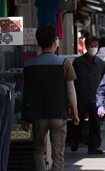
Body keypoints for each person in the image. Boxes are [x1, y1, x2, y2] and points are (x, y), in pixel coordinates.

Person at [21, 25, 80, 171]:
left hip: (38, 115)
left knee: (38, 150)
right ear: (55, 41)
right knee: (58, 153)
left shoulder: (29, 64)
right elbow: (71, 89)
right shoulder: (64, 63)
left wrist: (24, 117)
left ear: (39, 42)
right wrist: (75, 112)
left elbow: (26, 92)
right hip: (58, 114)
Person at [71, 36, 105, 154]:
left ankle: (94, 146)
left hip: (95, 98)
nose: (93, 48)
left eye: (96, 46)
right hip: (80, 97)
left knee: (95, 123)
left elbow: (103, 81)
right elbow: (72, 80)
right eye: (91, 46)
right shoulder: (78, 62)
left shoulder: (100, 64)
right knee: (77, 121)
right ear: (86, 46)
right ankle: (74, 142)